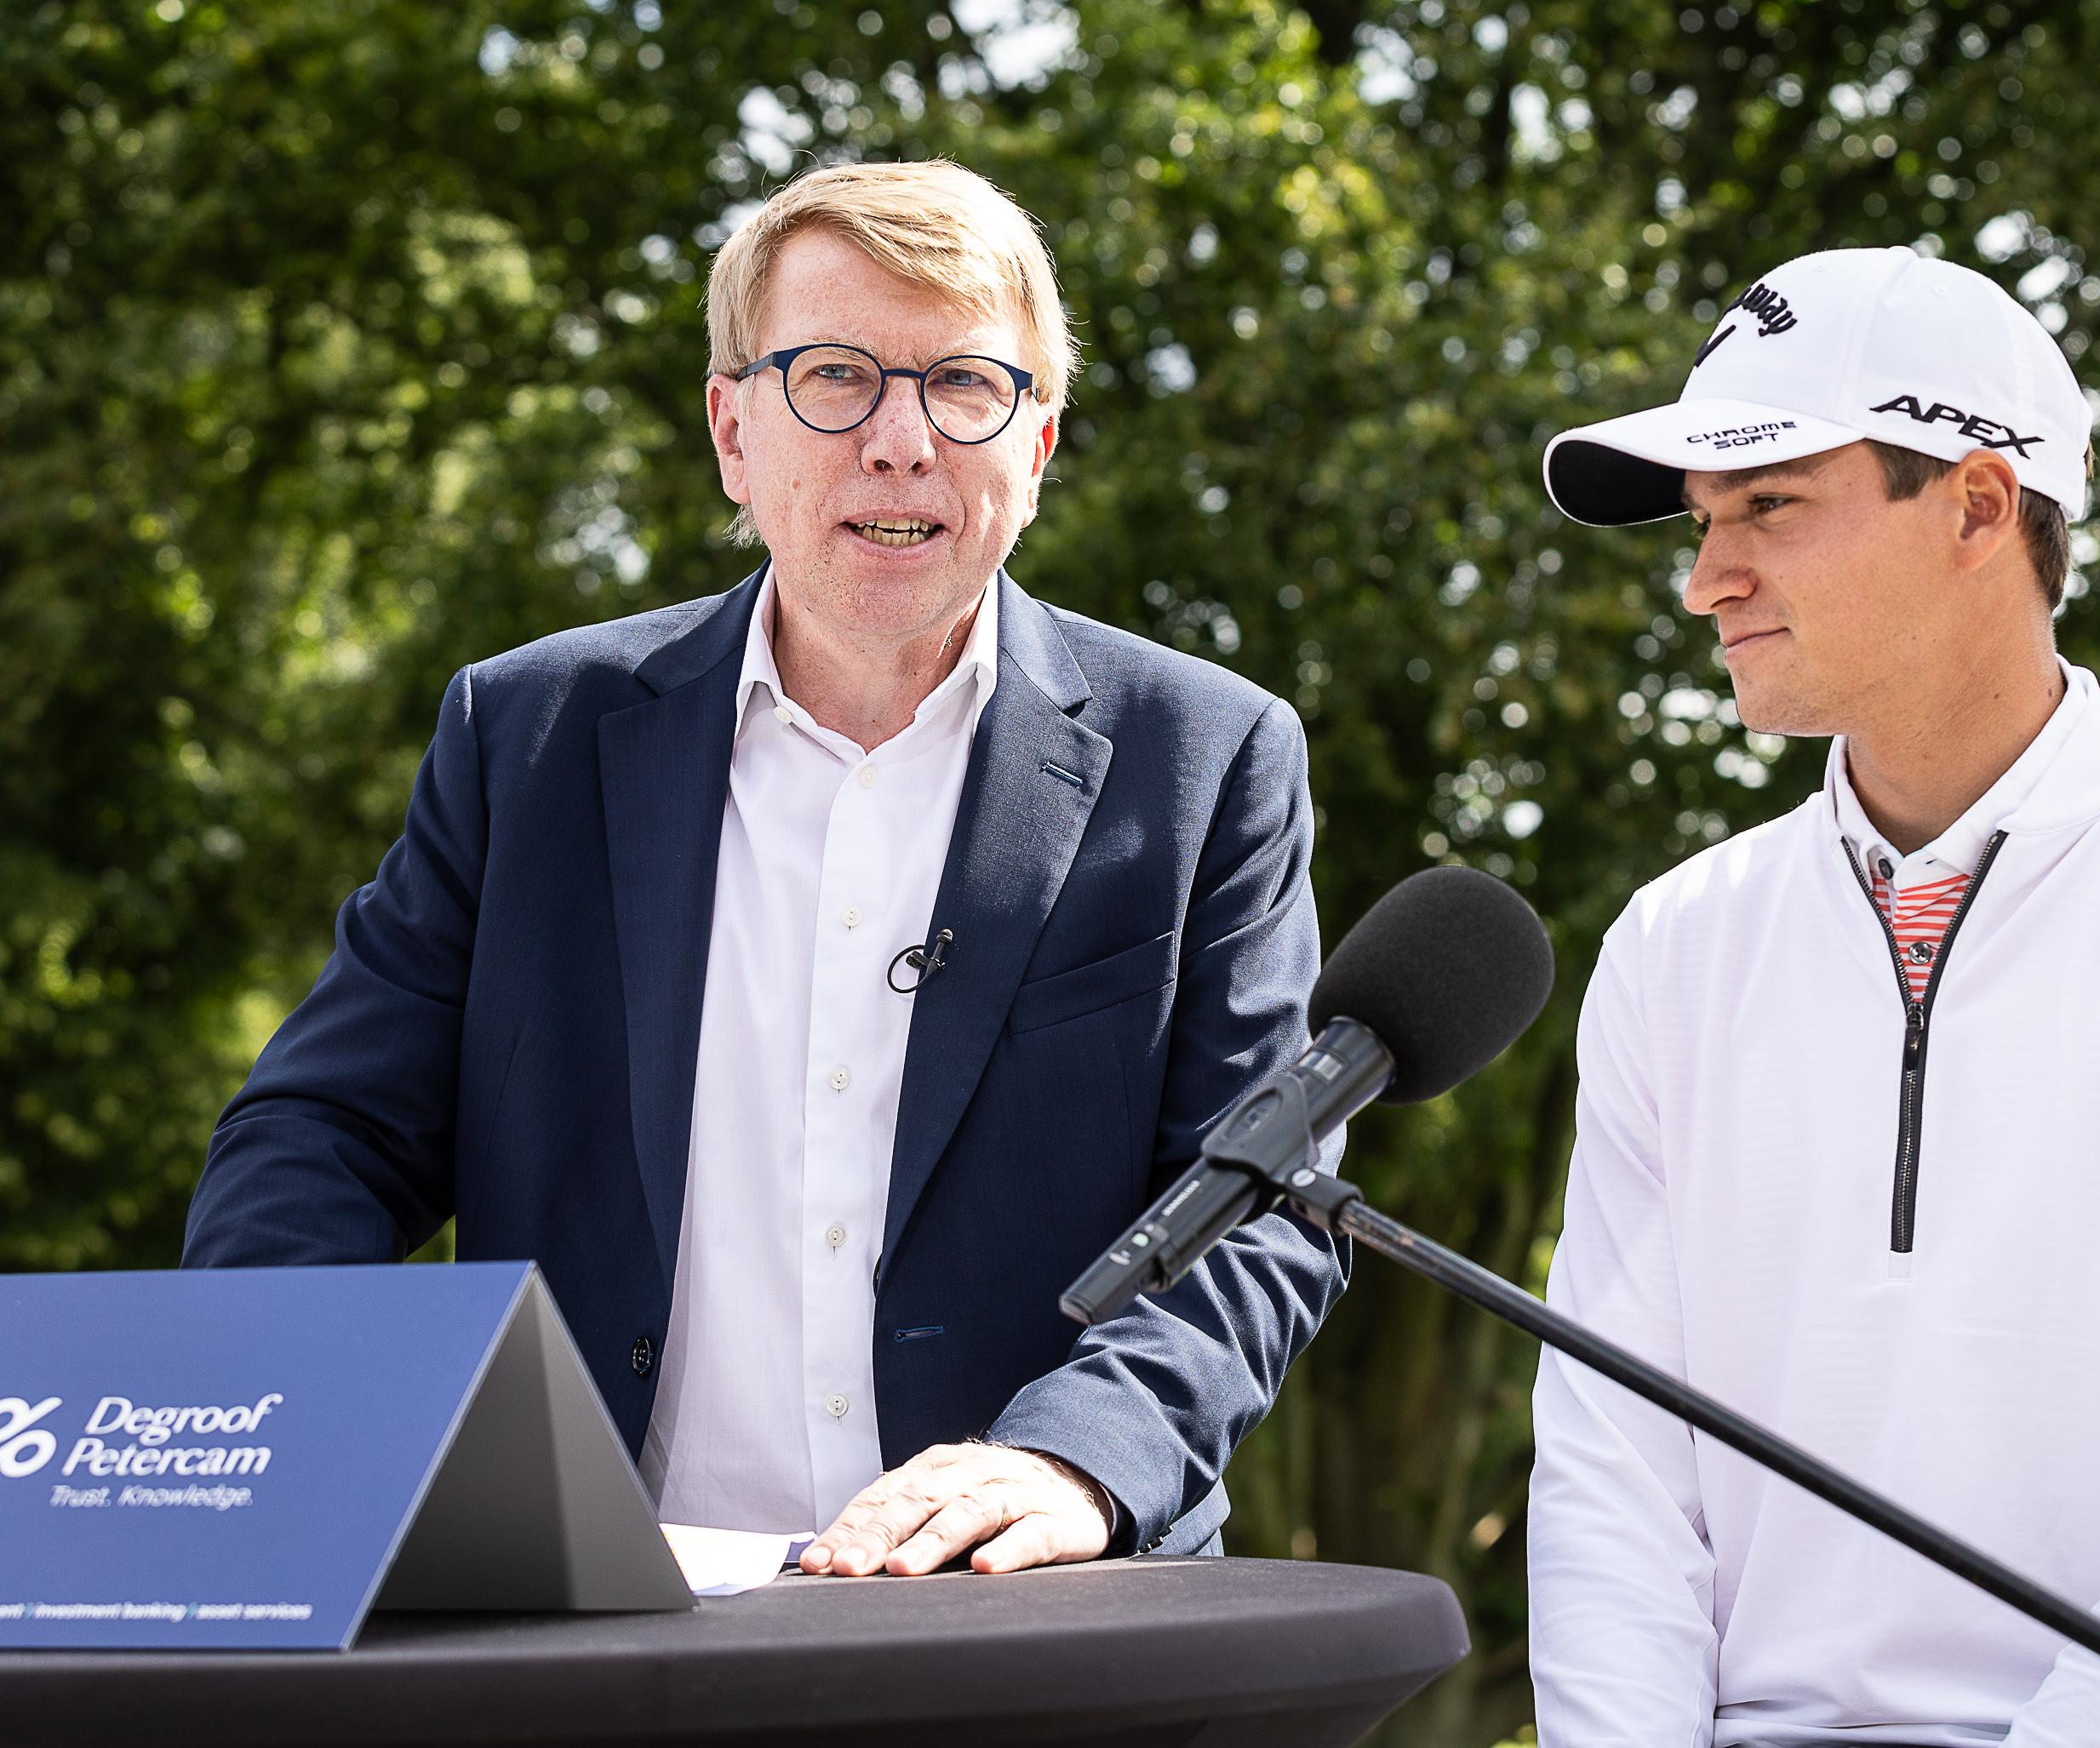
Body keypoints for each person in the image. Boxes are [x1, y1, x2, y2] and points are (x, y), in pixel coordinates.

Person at [183, 160, 1343, 1576]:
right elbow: (318, 1135)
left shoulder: (1207, 756)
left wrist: (1075, 1458)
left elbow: (1259, 1208)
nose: (902, 440)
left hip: (1039, 1621)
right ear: (734, 431)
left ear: (1035, 447)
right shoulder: (525, 737)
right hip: (599, 1619)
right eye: (835, 376)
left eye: (967, 385)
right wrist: (322, 1418)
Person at [1525, 246, 2100, 1746]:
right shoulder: (1675, 945)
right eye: (1700, 524)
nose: (1703, 580)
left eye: (1769, 507)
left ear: (1978, 507)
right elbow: (1613, 1479)